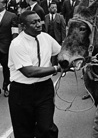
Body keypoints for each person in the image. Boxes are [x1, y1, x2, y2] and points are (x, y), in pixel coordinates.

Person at [8, 10, 62, 138]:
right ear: (23, 26)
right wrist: (56, 68)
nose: (38, 24)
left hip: (44, 90)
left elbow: (61, 51)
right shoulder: (17, 44)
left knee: (47, 128)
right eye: (34, 23)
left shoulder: (46, 37)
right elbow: (29, 72)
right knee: (24, 132)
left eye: (39, 21)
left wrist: (76, 58)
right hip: (22, 93)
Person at [0, 0, 18, 97]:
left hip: (6, 47)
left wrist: (14, 45)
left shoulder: (12, 16)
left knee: (7, 69)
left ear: (3, 4)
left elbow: (14, 32)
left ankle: (6, 86)